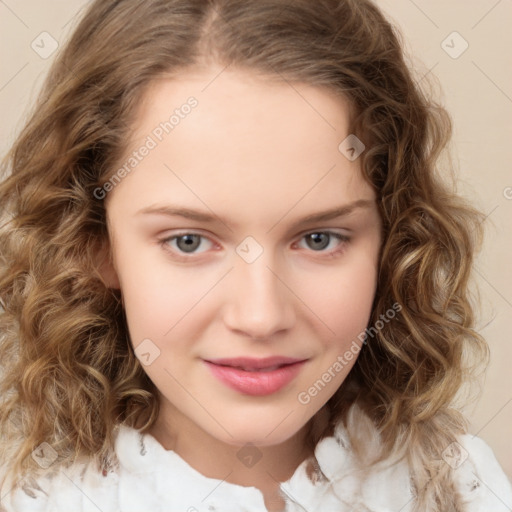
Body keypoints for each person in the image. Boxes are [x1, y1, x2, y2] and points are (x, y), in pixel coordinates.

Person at [0, 0, 511, 511]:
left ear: (390, 242)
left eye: (319, 239)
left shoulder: (463, 489)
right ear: (95, 245)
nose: (260, 317)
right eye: (189, 242)